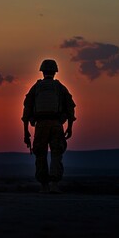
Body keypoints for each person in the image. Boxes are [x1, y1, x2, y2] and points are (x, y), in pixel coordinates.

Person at [22, 59, 76, 193]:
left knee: (40, 154)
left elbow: (27, 110)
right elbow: (70, 108)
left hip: (40, 125)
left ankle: (44, 185)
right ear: (55, 72)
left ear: (42, 72)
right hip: (57, 125)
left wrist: (26, 132)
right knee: (56, 154)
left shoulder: (36, 88)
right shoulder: (60, 88)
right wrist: (69, 127)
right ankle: (54, 184)